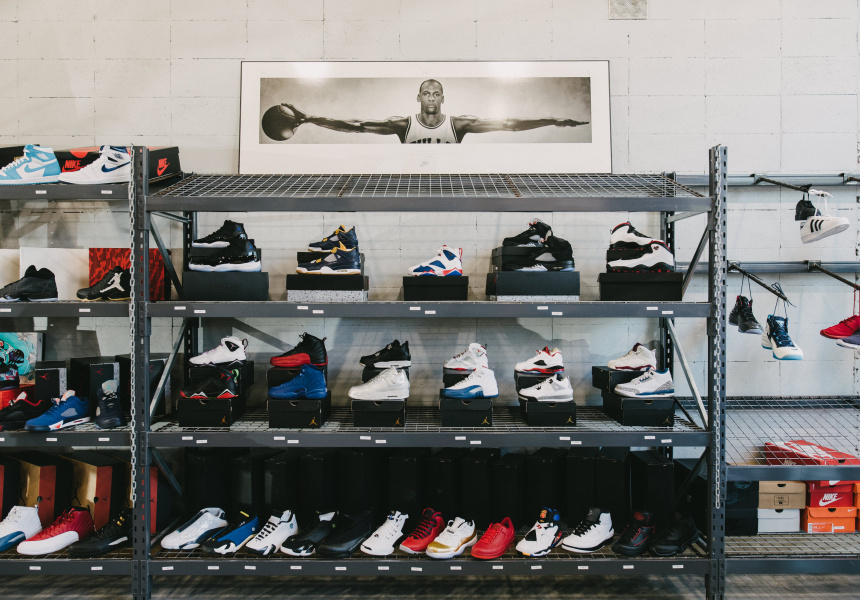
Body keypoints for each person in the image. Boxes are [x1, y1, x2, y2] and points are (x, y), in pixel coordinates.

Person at [262, 79, 588, 143]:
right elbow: (357, 125)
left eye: (436, 94)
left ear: (443, 98)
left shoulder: (459, 124)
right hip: (410, 181)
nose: (431, 98)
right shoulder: (402, 125)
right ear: (418, 97)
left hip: (453, 184)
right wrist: (310, 118)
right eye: (426, 94)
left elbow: (508, 124)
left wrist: (552, 120)